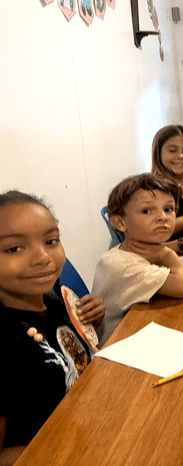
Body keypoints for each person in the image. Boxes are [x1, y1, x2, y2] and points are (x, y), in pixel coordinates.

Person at [0, 191, 105, 462]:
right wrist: (69, 445)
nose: (43, 257)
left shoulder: (56, 303)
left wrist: (93, 320)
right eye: (13, 249)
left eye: (51, 241)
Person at [93, 174, 183, 345]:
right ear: (120, 223)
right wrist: (165, 253)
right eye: (147, 211)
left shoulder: (129, 251)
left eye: (168, 209)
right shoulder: (124, 267)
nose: (162, 217)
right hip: (115, 351)